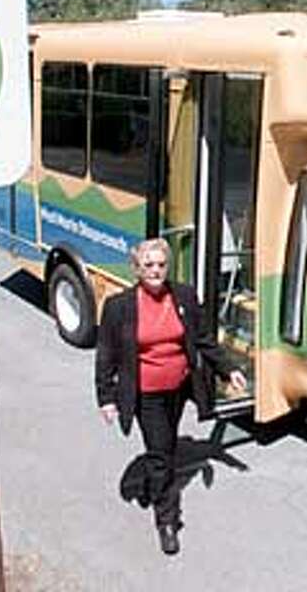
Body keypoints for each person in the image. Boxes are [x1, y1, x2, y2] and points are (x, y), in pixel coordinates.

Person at [95, 237, 247, 556]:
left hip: (178, 388)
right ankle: (167, 521)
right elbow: (106, 354)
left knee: (166, 445)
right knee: (162, 454)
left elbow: (203, 340)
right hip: (145, 394)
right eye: (148, 265)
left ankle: (156, 482)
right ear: (136, 269)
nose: (155, 270)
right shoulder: (119, 306)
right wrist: (106, 397)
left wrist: (228, 369)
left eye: (161, 264)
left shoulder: (185, 296)